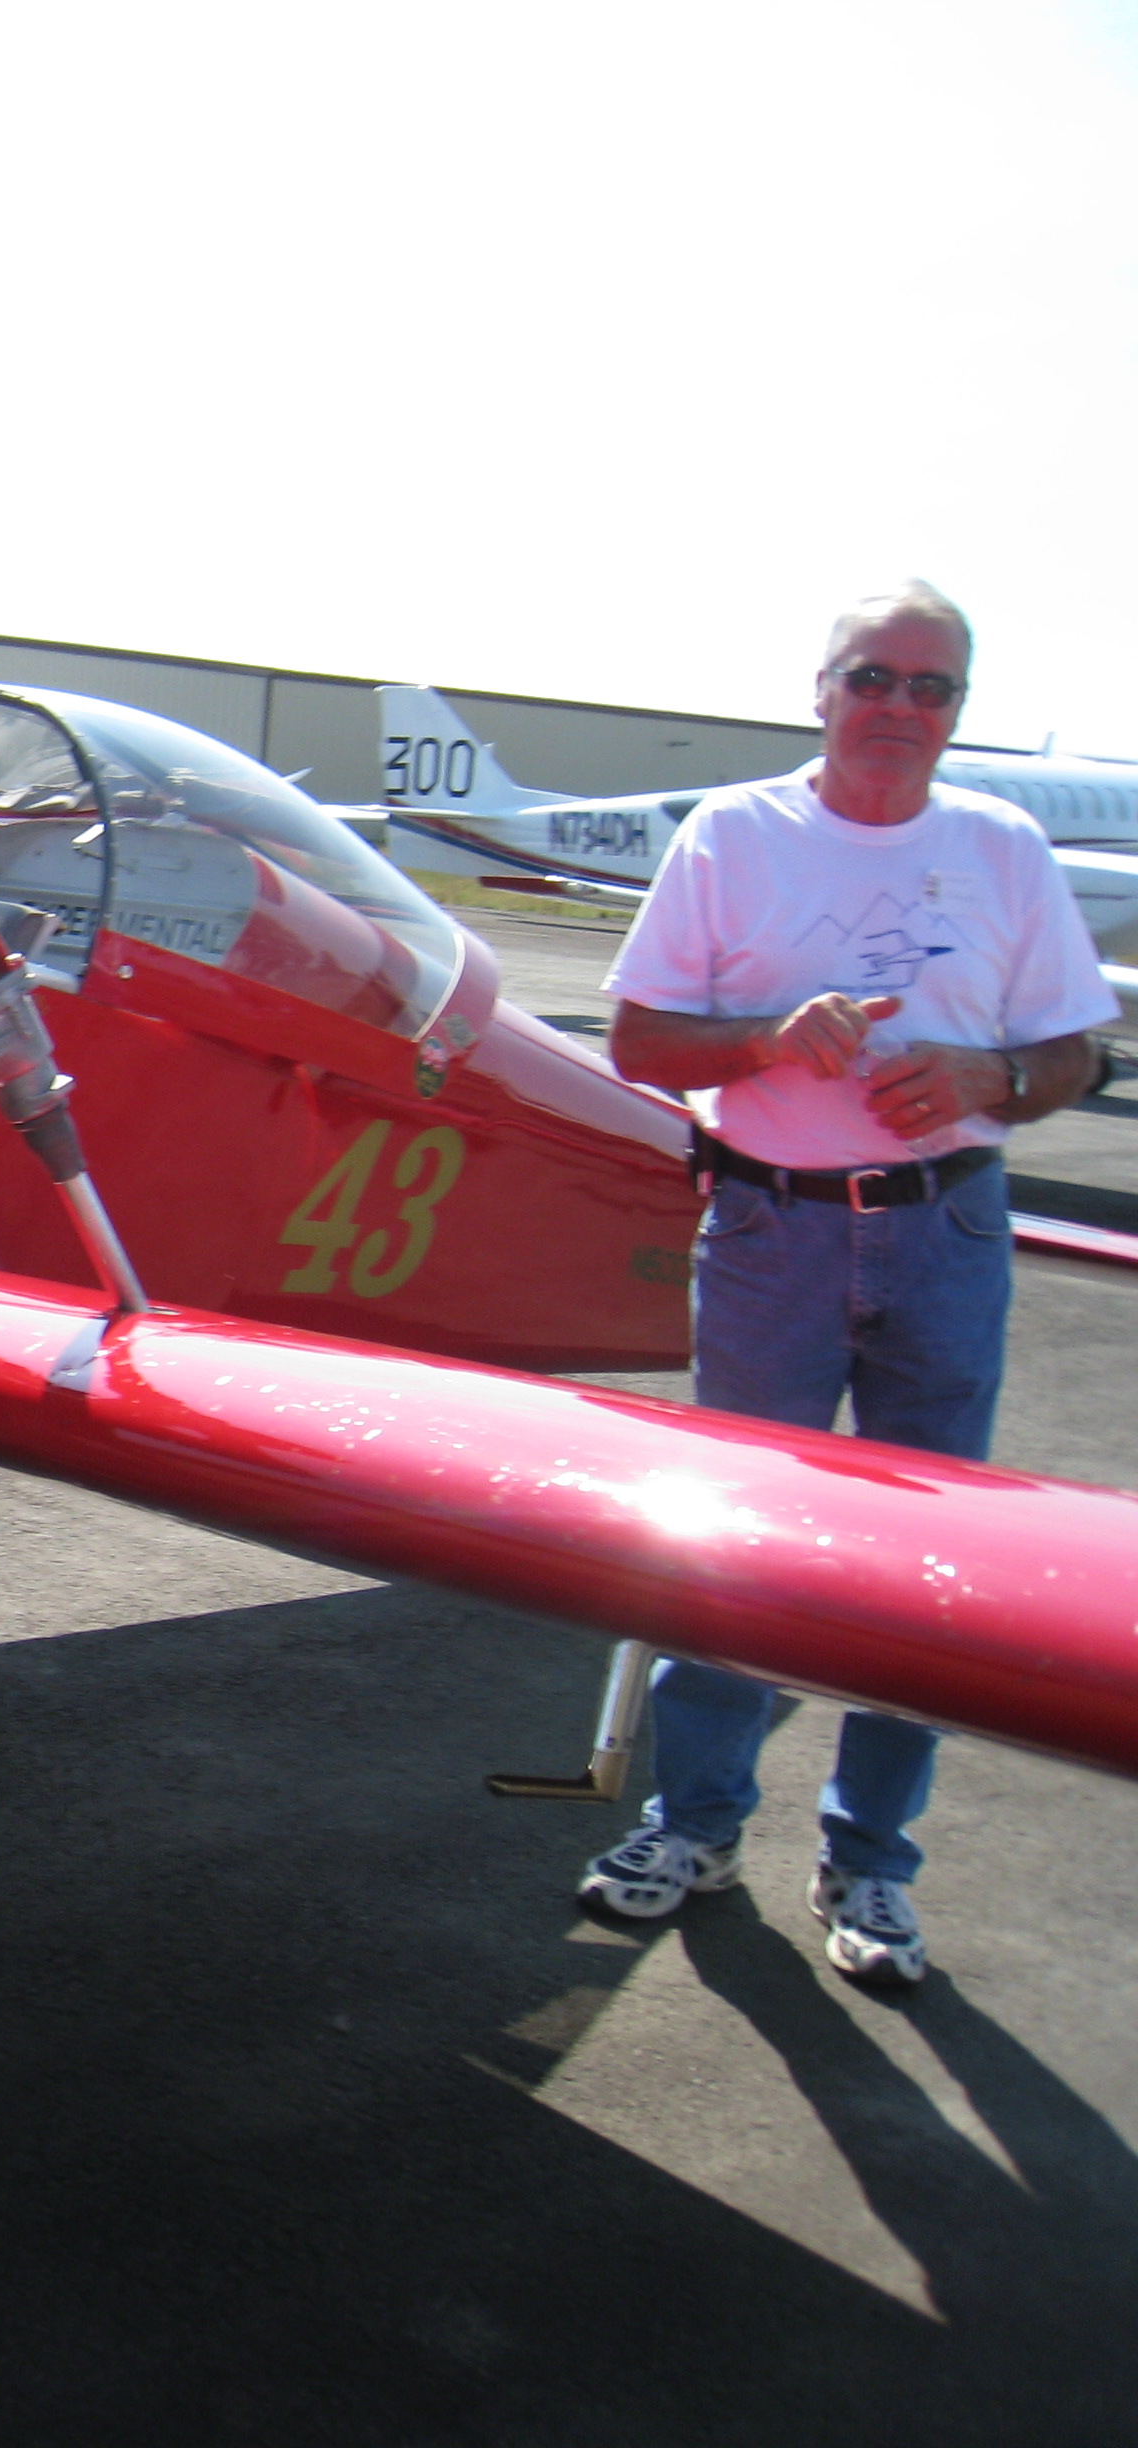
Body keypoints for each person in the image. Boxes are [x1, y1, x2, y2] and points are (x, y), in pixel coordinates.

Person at [582, 581, 1112, 1985]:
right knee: (734, 1544)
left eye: (932, 689)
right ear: (822, 690)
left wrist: (995, 1076)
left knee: (939, 1571)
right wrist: (763, 1041)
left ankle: (870, 1860)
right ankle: (693, 1824)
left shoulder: (1002, 846)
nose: (899, 708)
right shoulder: (734, 836)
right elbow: (640, 1037)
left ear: (958, 714)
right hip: (774, 1233)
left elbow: (1081, 1055)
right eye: (874, 677)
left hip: (947, 1237)